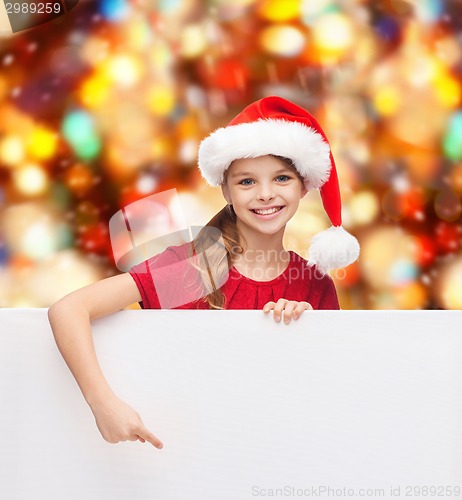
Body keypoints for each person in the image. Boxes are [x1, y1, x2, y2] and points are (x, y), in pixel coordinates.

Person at [48, 96, 360, 450]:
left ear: (303, 185)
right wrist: (103, 404)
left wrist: (304, 331)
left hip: (275, 453)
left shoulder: (314, 283)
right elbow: (69, 309)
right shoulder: (194, 269)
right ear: (225, 189)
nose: (266, 194)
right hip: (192, 452)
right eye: (246, 182)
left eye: (282, 178)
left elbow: (327, 388)